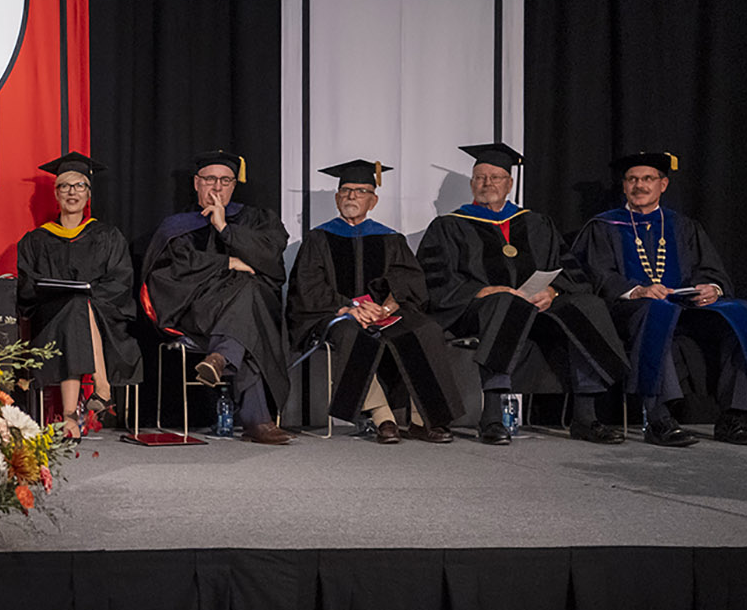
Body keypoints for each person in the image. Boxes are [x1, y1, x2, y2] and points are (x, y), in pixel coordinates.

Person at [417, 143, 628, 446]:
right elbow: (436, 280)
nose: (487, 183)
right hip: (479, 311)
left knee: (587, 304)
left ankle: (585, 417)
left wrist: (553, 291)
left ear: (509, 184)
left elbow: (570, 271)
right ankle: (491, 417)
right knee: (505, 303)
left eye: (495, 177)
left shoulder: (537, 223)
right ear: (471, 183)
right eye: (480, 177)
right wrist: (483, 291)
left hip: (539, 308)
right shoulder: (449, 226)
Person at [568, 152, 747, 447]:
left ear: (663, 185)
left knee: (741, 314)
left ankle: (732, 417)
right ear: (624, 186)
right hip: (628, 310)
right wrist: (636, 290)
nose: (639, 185)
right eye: (632, 179)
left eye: (647, 179)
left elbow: (711, 269)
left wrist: (711, 287)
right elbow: (596, 274)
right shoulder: (604, 226)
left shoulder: (683, 226)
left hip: (687, 308)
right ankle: (658, 418)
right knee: (657, 311)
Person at [287, 159, 467, 444]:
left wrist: (387, 307)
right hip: (338, 313)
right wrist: (348, 307)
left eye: (360, 191)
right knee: (350, 334)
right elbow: (308, 287)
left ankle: (425, 420)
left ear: (373, 200)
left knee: (425, 330)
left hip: (386, 311)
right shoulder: (318, 238)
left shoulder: (390, 238)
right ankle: (383, 417)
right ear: (336, 198)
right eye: (346, 190)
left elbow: (409, 281)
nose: (351, 196)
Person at [138, 151, 293, 445]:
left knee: (248, 299)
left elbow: (271, 258)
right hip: (194, 310)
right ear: (197, 183)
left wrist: (225, 228)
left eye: (225, 180)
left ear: (235, 184)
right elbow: (165, 276)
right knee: (248, 300)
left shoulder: (256, 219)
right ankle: (257, 420)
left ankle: (220, 357)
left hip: (239, 313)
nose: (217, 187)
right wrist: (226, 263)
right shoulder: (177, 226)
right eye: (210, 179)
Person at [15, 151, 139, 439]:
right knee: (73, 306)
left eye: (79, 185)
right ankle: (102, 387)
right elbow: (26, 288)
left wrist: (87, 294)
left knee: (79, 305)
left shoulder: (107, 236)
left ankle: (70, 416)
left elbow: (121, 282)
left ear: (89, 194)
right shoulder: (36, 240)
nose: (72, 192)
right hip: (50, 322)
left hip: (103, 320)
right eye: (65, 186)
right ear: (56, 194)